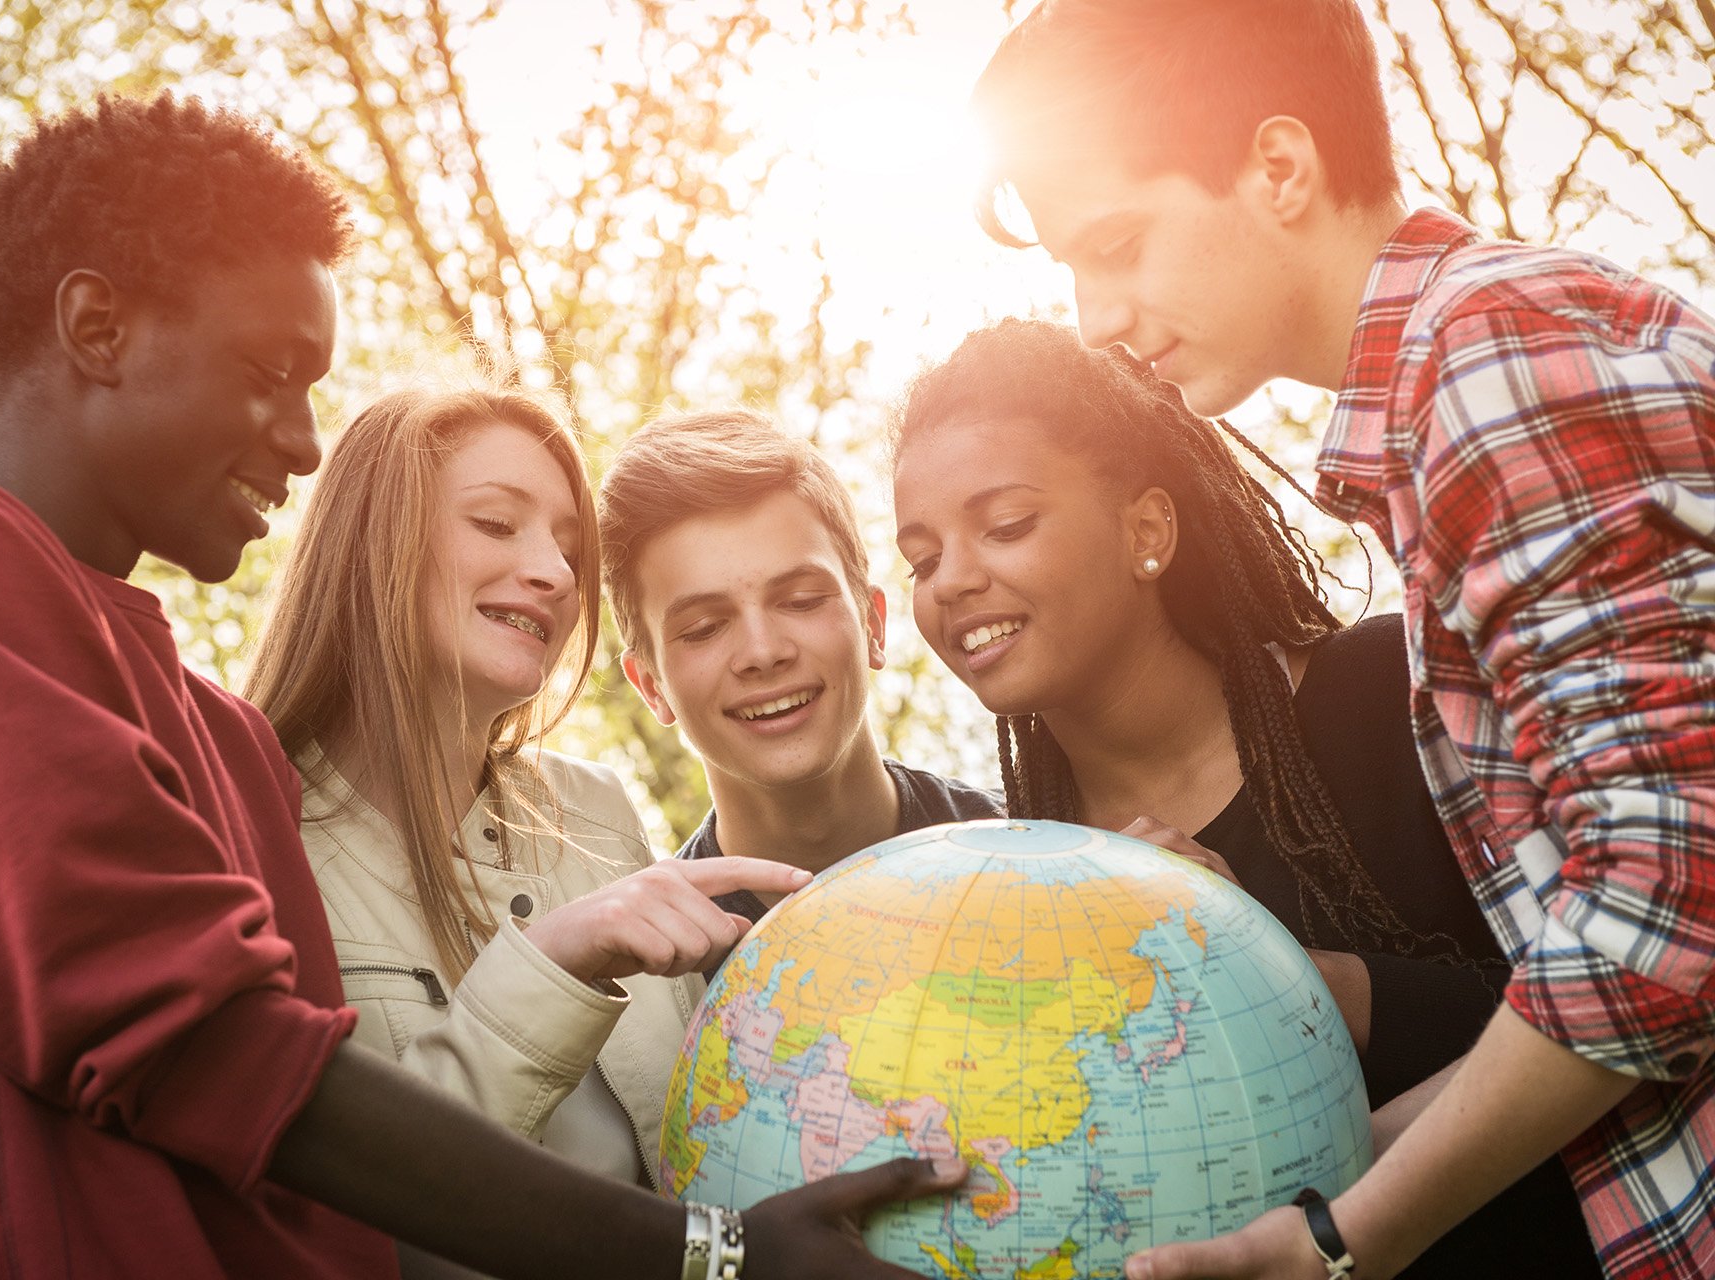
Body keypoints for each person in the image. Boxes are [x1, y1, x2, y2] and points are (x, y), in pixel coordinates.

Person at [0, 91, 963, 1279]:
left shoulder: (224, 741)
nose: (304, 442)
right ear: (99, 327)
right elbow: (215, 1054)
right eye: (271, 371)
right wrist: (714, 1259)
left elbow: (306, 1204)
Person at [969, 2, 1715, 1277]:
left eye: (1120, 244)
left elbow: (1662, 929)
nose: (1095, 316)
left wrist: (1335, 1241)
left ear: (1278, 166)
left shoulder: (1492, 368)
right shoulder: (1459, 383)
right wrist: (1298, 1188)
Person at [889, 315, 1601, 1279]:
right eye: (923, 557)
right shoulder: (1012, 872)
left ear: (1147, 530)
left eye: (1005, 525)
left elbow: (1619, 996)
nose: (955, 581)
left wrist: (1258, 965)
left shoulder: (1398, 696)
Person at [241, 379, 806, 1225]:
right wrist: (555, 960)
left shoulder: (595, 808)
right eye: (497, 524)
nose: (552, 572)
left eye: (569, 547)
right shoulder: (251, 836)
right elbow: (328, 1217)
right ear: (373, 543)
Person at [596, 408, 1002, 973]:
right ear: (652, 687)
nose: (763, 652)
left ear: (872, 626)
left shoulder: (1039, 864)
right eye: (704, 628)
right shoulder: (640, 992)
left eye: (802, 601)